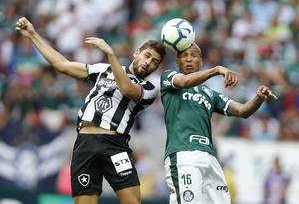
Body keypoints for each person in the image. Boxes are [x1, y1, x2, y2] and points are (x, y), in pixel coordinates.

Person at [16, 17, 166, 204]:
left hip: (115, 145)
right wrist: (32, 35)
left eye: (155, 62)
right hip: (85, 142)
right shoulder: (103, 70)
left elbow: (127, 89)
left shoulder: (150, 88)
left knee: (133, 202)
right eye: (147, 55)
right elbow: (62, 66)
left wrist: (111, 54)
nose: (149, 63)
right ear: (137, 53)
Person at [160, 44, 277, 204]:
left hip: (210, 157)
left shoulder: (210, 94)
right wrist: (216, 70)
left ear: (200, 62)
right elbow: (185, 81)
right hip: (184, 154)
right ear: (178, 60)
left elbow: (243, 111)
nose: (189, 59)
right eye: (184, 55)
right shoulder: (169, 78)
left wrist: (258, 98)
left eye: (193, 55)